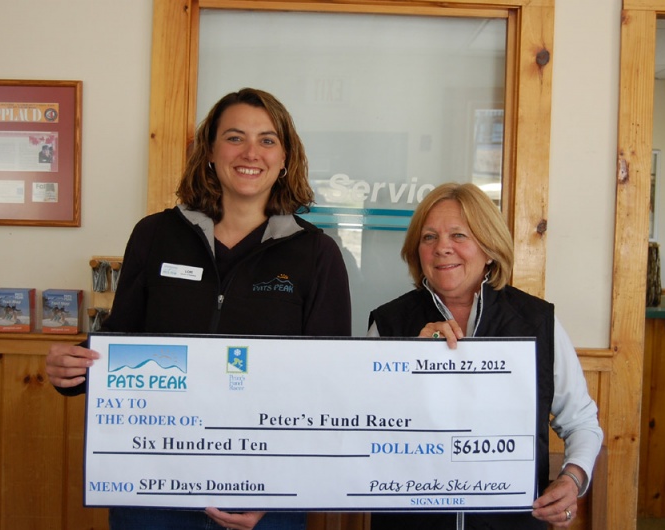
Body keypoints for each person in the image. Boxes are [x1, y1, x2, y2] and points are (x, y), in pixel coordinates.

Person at [45, 88, 352, 530]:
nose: (251, 153)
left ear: (286, 157)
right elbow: (122, 339)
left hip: (262, 493)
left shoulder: (317, 254)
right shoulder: (154, 235)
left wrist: (282, 489)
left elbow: (329, 382)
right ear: (210, 150)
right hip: (153, 489)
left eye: (267, 140)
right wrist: (72, 367)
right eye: (234, 137)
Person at [367, 182, 603, 530]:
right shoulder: (388, 323)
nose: (442, 248)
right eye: (429, 237)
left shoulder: (537, 321)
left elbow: (581, 421)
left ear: (490, 248)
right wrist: (407, 365)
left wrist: (573, 479)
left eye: (459, 235)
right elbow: (361, 426)